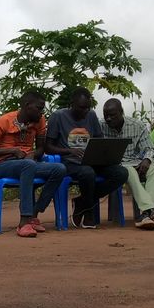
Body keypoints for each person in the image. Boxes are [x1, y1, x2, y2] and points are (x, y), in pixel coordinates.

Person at [0, 90, 67, 237]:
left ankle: (34, 213)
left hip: (28, 163)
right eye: (39, 108)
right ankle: (24, 222)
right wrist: (13, 151)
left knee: (59, 169)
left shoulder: (40, 121)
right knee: (29, 166)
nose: (41, 112)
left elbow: (41, 148)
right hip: (4, 165)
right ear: (27, 106)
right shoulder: (5, 120)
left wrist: (33, 154)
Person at [45, 87, 128, 229]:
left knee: (121, 173)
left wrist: (103, 154)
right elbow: (48, 147)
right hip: (69, 162)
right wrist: (69, 151)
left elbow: (99, 139)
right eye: (82, 108)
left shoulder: (91, 115)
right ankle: (89, 212)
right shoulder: (58, 116)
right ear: (72, 104)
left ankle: (82, 202)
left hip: (92, 160)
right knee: (87, 172)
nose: (85, 111)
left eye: (88, 107)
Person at [102, 98, 154, 229]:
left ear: (121, 112)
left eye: (112, 115)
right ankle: (151, 211)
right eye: (106, 115)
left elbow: (149, 148)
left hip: (135, 162)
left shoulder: (137, 125)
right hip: (116, 165)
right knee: (128, 171)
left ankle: (146, 215)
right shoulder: (100, 126)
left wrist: (147, 160)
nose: (108, 119)